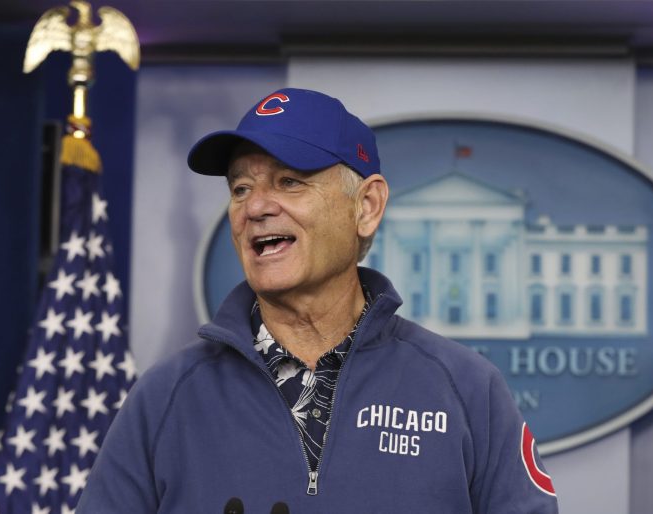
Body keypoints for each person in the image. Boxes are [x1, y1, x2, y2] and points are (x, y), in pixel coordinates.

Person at [77, 88, 559, 513]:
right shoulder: (165, 397)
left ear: (366, 207)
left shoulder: (468, 389)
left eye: (289, 181)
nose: (257, 207)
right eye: (241, 188)